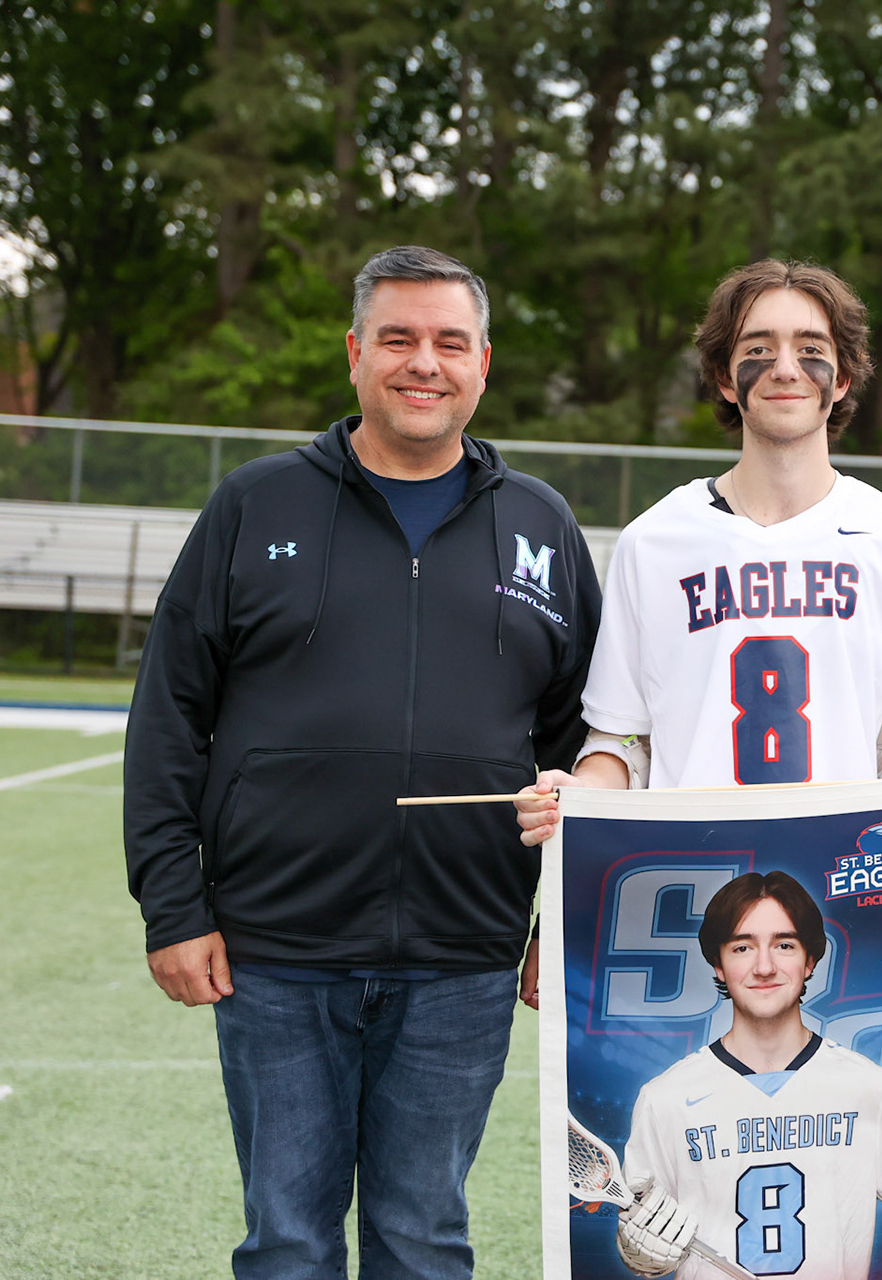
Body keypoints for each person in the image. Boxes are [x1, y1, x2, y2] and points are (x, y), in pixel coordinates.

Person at [123, 246, 603, 1278]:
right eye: (398, 337)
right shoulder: (254, 505)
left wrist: (557, 927)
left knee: (424, 1236)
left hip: (463, 953)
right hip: (274, 949)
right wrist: (174, 904)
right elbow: (168, 717)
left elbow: (586, 745)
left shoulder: (543, 524)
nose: (422, 362)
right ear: (355, 354)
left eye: (448, 341)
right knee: (288, 1239)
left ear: (483, 363)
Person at [516, 260, 882, 846]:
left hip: (843, 885)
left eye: (810, 346)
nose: (785, 368)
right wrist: (577, 795)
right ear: (725, 377)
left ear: (843, 377)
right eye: (758, 348)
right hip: (696, 875)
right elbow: (624, 744)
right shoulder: (653, 542)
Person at [615, 871, 882, 1280]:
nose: (764, 966)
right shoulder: (665, 1098)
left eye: (784, 945)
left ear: (810, 959)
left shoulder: (868, 1085)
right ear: (718, 964)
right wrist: (641, 1254)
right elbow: (643, 1241)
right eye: (742, 947)